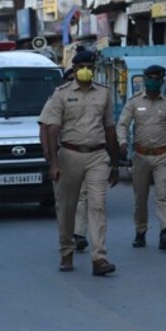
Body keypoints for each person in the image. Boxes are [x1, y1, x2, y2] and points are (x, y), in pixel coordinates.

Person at [39, 50, 120, 276]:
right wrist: (53, 162)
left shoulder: (104, 94)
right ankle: (66, 251)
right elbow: (52, 128)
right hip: (69, 155)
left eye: (90, 66)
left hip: (97, 156)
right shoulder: (61, 94)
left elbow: (109, 128)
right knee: (67, 208)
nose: (86, 70)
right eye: (82, 66)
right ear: (74, 70)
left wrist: (115, 163)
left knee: (97, 205)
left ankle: (99, 258)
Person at [116, 64, 166, 250]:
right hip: (141, 156)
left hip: (163, 156)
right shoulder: (134, 102)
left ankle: (165, 231)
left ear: (162, 81)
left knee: (162, 196)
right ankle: (140, 231)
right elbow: (122, 124)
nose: (153, 81)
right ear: (145, 79)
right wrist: (122, 141)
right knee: (140, 198)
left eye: (157, 78)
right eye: (150, 78)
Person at [39, 68, 90, 253]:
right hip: (61, 155)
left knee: (83, 196)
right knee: (64, 201)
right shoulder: (55, 100)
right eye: (68, 79)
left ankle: (80, 234)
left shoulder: (91, 98)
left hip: (82, 154)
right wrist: (49, 154)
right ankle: (66, 237)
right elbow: (45, 127)